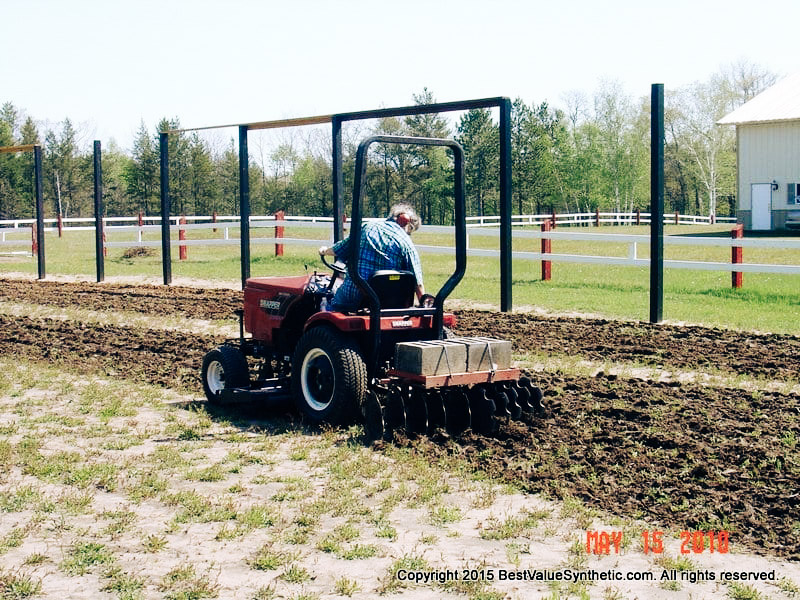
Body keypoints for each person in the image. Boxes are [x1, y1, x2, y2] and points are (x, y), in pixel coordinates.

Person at [318, 203, 425, 311]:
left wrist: (324, 251)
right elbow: (418, 282)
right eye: (410, 231)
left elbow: (339, 249)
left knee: (331, 304)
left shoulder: (367, 227)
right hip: (388, 301)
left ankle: (325, 318)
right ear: (405, 222)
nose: (408, 234)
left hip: (355, 295)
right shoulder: (406, 243)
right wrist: (424, 304)